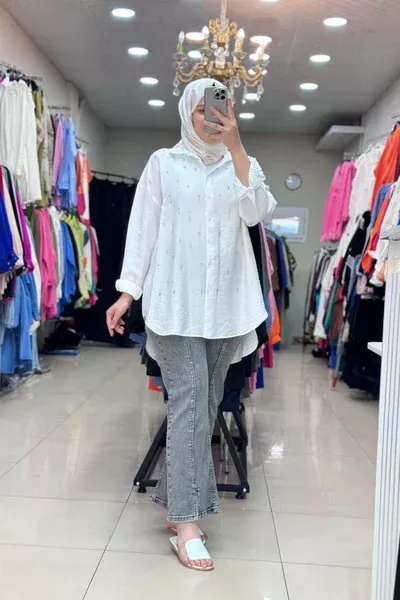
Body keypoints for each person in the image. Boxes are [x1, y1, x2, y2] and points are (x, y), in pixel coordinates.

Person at [106, 78, 276, 572]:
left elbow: (257, 213)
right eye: (203, 109)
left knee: (204, 407)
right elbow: (142, 230)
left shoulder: (242, 166)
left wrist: (237, 148)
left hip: (226, 308)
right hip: (174, 306)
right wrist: (127, 292)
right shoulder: (163, 163)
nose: (211, 117)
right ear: (187, 113)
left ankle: (176, 501)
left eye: (220, 108)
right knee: (189, 405)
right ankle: (186, 524)